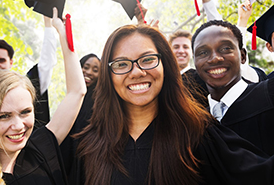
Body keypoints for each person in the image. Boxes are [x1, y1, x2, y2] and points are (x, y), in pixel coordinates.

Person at [61, 24, 274, 185]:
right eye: (122, 64)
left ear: (166, 66)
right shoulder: (89, 145)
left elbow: (260, 174)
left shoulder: (197, 133)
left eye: (147, 60)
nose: (136, 72)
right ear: (109, 75)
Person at [0, 7, 86, 184]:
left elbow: (77, 91)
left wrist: (62, 32)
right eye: (4, 116)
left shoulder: (40, 149)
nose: (18, 126)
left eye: (25, 112)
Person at [192, 19, 274, 156]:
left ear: (242, 56)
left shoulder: (269, 97)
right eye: (203, 52)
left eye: (225, 49)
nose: (214, 58)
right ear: (194, 61)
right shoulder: (194, 122)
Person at [60, 53, 100, 174]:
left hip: (86, 156)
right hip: (65, 152)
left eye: (95, 70)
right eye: (86, 67)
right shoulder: (71, 96)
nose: (89, 72)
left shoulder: (98, 102)